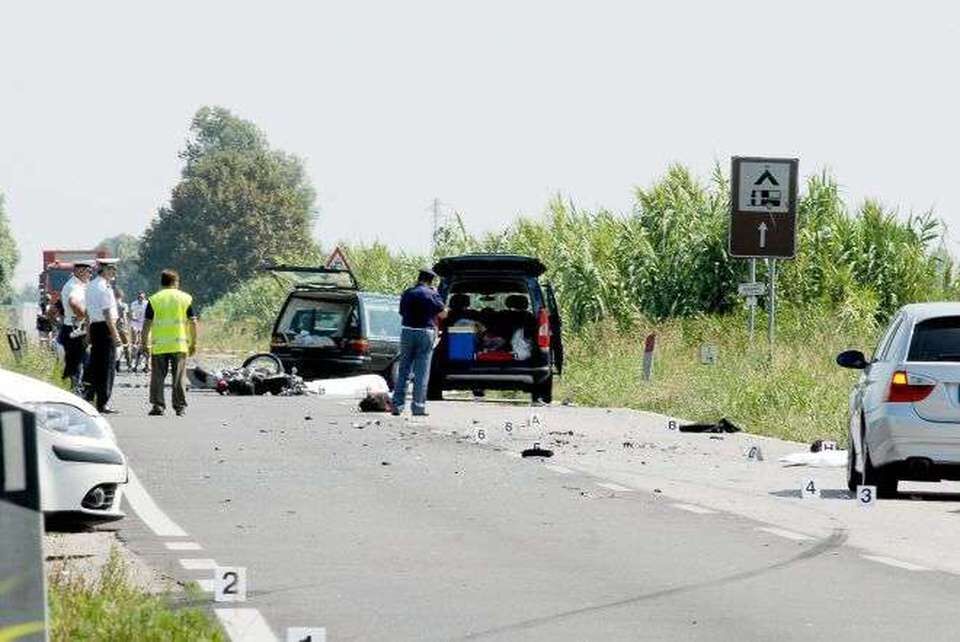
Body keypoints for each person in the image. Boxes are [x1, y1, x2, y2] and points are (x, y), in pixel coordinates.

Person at [391, 267, 447, 416]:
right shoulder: (432, 294)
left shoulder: (408, 293)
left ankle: (397, 406)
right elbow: (443, 314)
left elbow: (401, 312)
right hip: (425, 333)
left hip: (408, 331)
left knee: (404, 369)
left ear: (418, 278)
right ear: (431, 281)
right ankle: (418, 407)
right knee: (422, 371)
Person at [141, 270, 198, 417]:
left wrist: (144, 343)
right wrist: (193, 343)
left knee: (158, 377)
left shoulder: (154, 299)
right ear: (176, 282)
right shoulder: (185, 298)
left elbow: (147, 324)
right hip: (179, 345)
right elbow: (193, 322)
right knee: (178, 377)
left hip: (159, 345)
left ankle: (158, 406)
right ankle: (179, 407)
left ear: (162, 282)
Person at [85, 258, 123, 413]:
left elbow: (88, 312)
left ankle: (91, 397)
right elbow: (107, 313)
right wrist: (115, 335)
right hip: (105, 328)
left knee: (96, 365)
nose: (114, 272)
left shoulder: (91, 286)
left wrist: (88, 332)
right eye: (112, 269)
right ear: (105, 270)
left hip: (95, 327)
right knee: (107, 367)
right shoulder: (105, 287)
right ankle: (103, 402)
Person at [58, 260, 93, 392]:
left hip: (76, 327)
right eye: (89, 271)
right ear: (80, 271)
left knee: (83, 361)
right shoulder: (74, 286)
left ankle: (80, 390)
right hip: (76, 328)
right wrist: (84, 316)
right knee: (82, 362)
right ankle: (77, 391)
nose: (90, 274)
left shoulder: (80, 284)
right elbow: (73, 302)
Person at [129, 291, 148, 372]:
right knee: (135, 343)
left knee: (144, 344)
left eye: (142, 298)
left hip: (144, 324)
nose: (141, 299)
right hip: (135, 324)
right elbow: (131, 313)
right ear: (138, 297)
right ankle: (133, 363)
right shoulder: (134, 304)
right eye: (139, 297)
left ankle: (144, 364)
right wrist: (133, 317)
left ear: (144, 298)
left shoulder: (147, 303)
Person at [114, 290, 131, 372]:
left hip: (114, 326)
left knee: (116, 346)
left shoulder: (112, 304)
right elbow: (124, 317)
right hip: (121, 326)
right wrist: (127, 327)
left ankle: (117, 364)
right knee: (126, 345)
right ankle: (129, 364)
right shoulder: (124, 305)